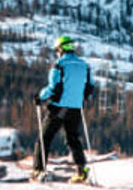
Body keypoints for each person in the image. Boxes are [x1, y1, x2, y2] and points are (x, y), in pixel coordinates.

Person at [32, 34, 93, 182]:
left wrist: (40, 97)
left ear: (60, 49)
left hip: (59, 107)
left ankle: (38, 170)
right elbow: (90, 86)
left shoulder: (59, 65)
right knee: (73, 139)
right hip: (76, 108)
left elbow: (53, 87)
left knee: (44, 138)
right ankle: (81, 171)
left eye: (57, 50)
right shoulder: (84, 65)